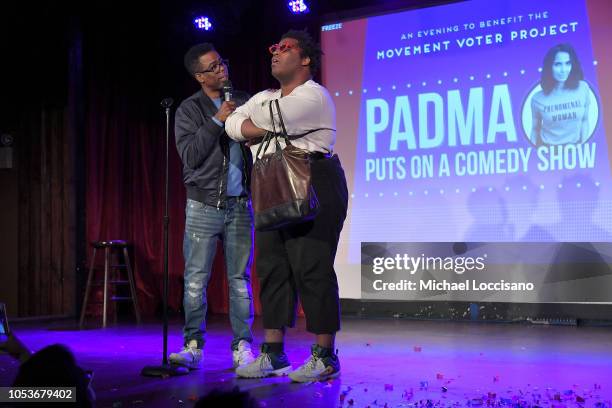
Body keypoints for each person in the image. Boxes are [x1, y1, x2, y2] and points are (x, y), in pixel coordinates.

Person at [225, 30, 348, 383]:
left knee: (312, 267)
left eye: (285, 47)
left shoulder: (315, 95)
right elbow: (232, 126)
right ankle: (273, 354)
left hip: (314, 180)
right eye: (273, 47)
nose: (275, 52)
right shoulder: (264, 95)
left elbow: (269, 119)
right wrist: (245, 124)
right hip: (271, 183)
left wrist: (249, 123)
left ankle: (325, 356)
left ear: (306, 59)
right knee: (272, 269)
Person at [171, 43, 255, 370]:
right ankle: (193, 346)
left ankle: (243, 347)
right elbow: (190, 156)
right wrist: (217, 120)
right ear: (199, 76)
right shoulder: (189, 110)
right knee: (195, 279)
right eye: (214, 67)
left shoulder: (244, 101)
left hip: (239, 204)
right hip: (203, 205)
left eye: (222, 63)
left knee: (239, 279)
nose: (222, 70)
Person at [530, 43, 591, 145]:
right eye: (558, 64)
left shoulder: (583, 88)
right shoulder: (537, 99)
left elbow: (585, 120)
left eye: (568, 63)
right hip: (547, 151)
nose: (564, 70)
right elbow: (535, 129)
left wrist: (583, 147)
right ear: (549, 67)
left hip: (575, 148)